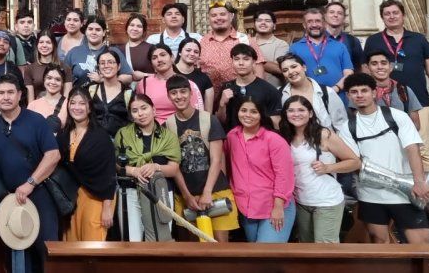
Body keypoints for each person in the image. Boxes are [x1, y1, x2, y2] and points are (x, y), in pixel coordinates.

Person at [338, 72, 429, 244]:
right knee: (379, 243)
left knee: (421, 243)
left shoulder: (397, 116)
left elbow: (412, 148)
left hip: (405, 192)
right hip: (370, 195)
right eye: (354, 91)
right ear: (349, 96)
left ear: (374, 93)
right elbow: (353, 161)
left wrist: (419, 181)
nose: (359, 95)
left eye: (364, 90)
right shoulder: (347, 127)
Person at [0, 75, 60, 273]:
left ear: (19, 95)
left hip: (39, 193)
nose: (5, 97)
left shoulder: (36, 120)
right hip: (8, 199)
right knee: (15, 255)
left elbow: (53, 155)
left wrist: (30, 183)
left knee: (47, 251)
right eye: (1, 93)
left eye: (10, 92)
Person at [364, 0, 429, 156]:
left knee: (422, 150)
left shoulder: (418, 39)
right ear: (382, 17)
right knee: (390, 150)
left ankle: (423, 181)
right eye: (387, 14)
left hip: (419, 100)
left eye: (395, 13)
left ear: (403, 15)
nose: (391, 16)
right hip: (384, 102)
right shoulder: (373, 40)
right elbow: (365, 69)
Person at [278, 95, 361, 243]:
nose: (296, 114)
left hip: (326, 200)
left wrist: (328, 167)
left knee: (325, 248)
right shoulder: (284, 136)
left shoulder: (323, 134)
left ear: (310, 113)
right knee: (306, 247)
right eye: (291, 110)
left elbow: (354, 162)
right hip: (301, 201)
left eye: (301, 110)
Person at [166, 76, 237, 242]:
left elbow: (216, 160)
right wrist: (187, 196)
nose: (179, 96)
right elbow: (174, 165)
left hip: (216, 190)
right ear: (169, 96)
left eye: (183, 91)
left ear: (191, 93)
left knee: (220, 247)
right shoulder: (168, 125)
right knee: (195, 250)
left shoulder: (208, 119)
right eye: (174, 93)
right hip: (187, 195)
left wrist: (207, 193)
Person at [224, 97, 295, 242]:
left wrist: (278, 206)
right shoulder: (232, 136)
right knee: (255, 255)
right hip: (246, 208)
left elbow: (284, 175)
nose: (247, 115)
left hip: (274, 206)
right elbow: (226, 165)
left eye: (253, 112)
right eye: (243, 110)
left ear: (261, 115)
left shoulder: (274, 140)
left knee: (267, 256)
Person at [115, 93, 181, 241]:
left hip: (160, 191)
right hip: (130, 191)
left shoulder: (168, 136)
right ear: (131, 115)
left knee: (162, 240)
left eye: (144, 108)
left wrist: (156, 167)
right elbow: (116, 165)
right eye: (135, 110)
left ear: (154, 110)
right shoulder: (123, 134)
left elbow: (174, 169)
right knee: (132, 241)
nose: (140, 113)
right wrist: (133, 171)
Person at [58, 88, 116, 242]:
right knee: (72, 243)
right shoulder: (63, 135)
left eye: (82, 103)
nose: (76, 107)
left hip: (99, 198)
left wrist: (107, 208)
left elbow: (109, 173)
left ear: (89, 107)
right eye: (73, 103)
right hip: (73, 197)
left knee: (92, 244)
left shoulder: (100, 137)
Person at [216, 44, 282, 130]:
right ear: (232, 62)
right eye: (236, 59)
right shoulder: (226, 87)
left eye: (246, 59)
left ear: (254, 63)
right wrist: (222, 104)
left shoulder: (269, 90)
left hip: (259, 140)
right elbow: (221, 121)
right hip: (232, 139)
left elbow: (276, 124)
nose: (241, 63)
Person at [288, 8, 354, 94]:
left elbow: (349, 73)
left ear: (325, 24)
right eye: (310, 21)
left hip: (338, 95)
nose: (314, 24)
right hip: (308, 98)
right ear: (304, 25)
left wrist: (335, 89)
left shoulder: (340, 46)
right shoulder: (295, 48)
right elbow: (292, 74)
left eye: (318, 21)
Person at [278, 53, 348, 132]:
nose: (290, 72)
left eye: (294, 66)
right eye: (285, 70)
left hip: (327, 142)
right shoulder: (279, 94)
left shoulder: (327, 92)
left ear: (304, 67)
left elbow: (341, 125)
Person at [134, 44, 203, 124]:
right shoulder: (143, 84)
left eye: (163, 55)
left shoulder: (188, 84)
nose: (159, 60)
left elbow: (198, 114)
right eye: (154, 58)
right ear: (151, 63)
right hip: (153, 131)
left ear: (172, 58)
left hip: (181, 130)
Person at [63, 15, 132, 87]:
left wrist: (104, 80)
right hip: (79, 96)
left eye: (98, 30)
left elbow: (128, 77)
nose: (94, 32)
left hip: (106, 96)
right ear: (86, 31)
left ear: (104, 32)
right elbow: (63, 77)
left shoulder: (113, 52)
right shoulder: (74, 52)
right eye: (90, 29)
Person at [362, 47, 425, 127]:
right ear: (368, 68)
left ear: (391, 67)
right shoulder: (361, 92)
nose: (380, 67)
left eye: (384, 63)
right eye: (374, 64)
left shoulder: (404, 90)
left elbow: (415, 124)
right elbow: (357, 122)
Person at [199, 2, 252, 91]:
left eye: (222, 14)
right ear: (209, 19)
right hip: (209, 97)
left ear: (231, 16)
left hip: (240, 95)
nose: (218, 18)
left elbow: (258, 71)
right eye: (214, 15)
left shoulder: (245, 40)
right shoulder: (201, 42)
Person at [88, 50, 133, 137]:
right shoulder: (91, 90)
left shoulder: (128, 93)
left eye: (111, 62)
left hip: (121, 143)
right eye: (102, 63)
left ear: (119, 66)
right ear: (98, 67)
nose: (106, 66)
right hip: (94, 141)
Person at [20, 30, 71, 101]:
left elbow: (66, 98)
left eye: (48, 42)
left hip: (59, 109)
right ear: (37, 45)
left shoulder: (65, 68)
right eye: (41, 42)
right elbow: (30, 100)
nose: (44, 45)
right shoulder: (30, 69)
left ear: (54, 45)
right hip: (37, 109)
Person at [174, 38, 215, 113]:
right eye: (188, 50)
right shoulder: (170, 73)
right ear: (180, 52)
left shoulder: (204, 78)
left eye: (196, 52)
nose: (192, 54)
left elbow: (208, 113)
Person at [324, 1, 366, 71]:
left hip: (348, 80)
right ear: (325, 16)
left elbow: (359, 67)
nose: (335, 15)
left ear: (344, 18)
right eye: (331, 12)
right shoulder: (316, 39)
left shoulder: (353, 41)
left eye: (339, 13)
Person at [252, 10, 290, 87]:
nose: (263, 23)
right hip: (247, 88)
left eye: (267, 21)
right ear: (254, 25)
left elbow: (279, 68)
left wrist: (251, 57)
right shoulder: (246, 41)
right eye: (259, 20)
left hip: (272, 89)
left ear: (274, 25)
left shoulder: (281, 44)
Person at [27, 63, 69, 132]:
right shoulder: (33, 105)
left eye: (57, 79)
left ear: (62, 83)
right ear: (44, 80)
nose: (53, 82)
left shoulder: (68, 104)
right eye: (49, 78)